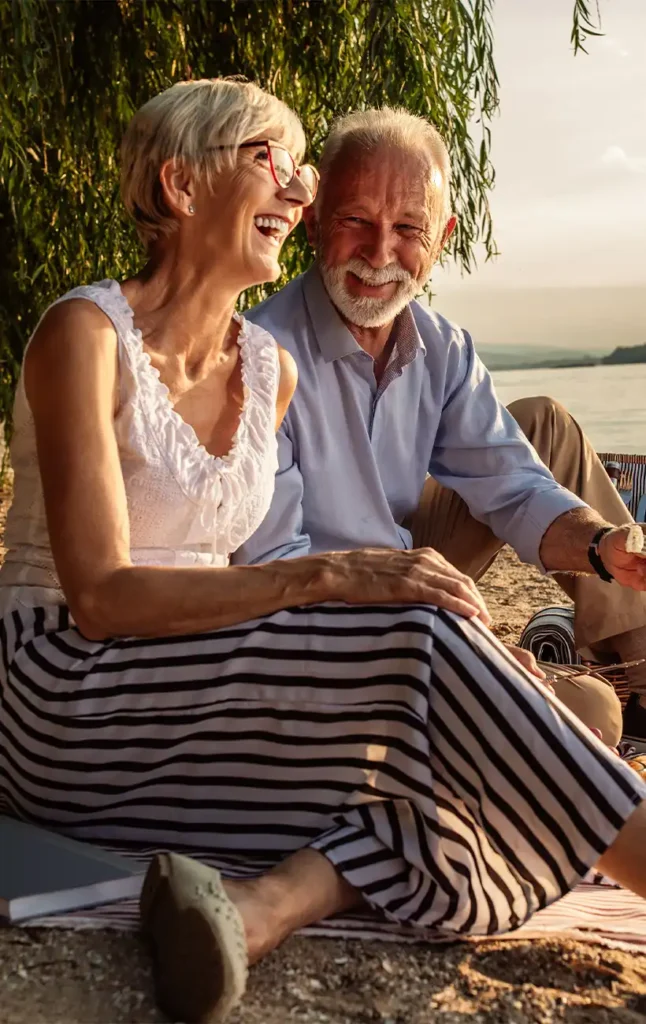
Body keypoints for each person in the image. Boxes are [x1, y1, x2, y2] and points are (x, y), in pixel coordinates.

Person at [0, 82, 644, 1024]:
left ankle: (263, 909)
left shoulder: (267, 369)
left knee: (472, 757)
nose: (296, 192)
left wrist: (596, 547)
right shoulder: (84, 337)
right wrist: (342, 579)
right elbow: (98, 599)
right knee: (436, 660)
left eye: (300, 170)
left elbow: (512, 482)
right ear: (181, 186)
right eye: (275, 161)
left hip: (191, 685)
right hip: (66, 693)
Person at [237, 106, 646, 750]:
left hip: (413, 567)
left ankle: (640, 660)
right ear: (313, 221)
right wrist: (456, 640)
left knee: (543, 424)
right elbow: (273, 569)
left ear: (443, 236)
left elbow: (514, 486)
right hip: (323, 607)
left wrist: (602, 546)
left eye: (407, 228)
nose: (379, 254)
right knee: (590, 709)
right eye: (355, 222)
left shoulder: (443, 348)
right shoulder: (261, 352)